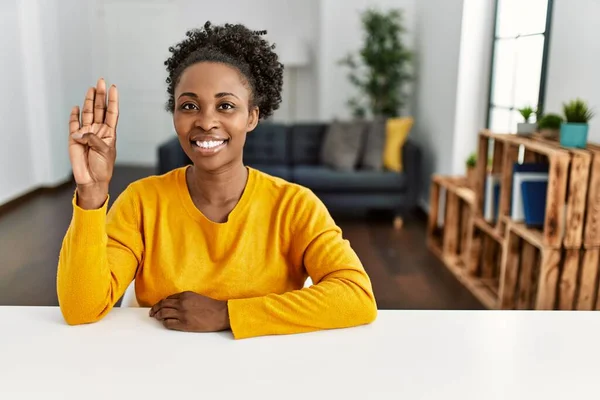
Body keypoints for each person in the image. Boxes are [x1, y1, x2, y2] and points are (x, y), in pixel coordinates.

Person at [57, 21, 377, 339]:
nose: (207, 121)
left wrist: (226, 313)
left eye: (226, 105)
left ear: (251, 116)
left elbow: (356, 296)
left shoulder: (295, 205)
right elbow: (81, 308)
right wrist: (91, 193)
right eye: (189, 106)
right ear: (175, 115)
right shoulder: (142, 201)